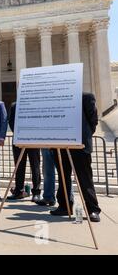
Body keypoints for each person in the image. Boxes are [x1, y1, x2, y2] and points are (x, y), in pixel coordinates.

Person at [50, 92, 101, 222]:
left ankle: (93, 210)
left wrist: (84, 135)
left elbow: (93, 120)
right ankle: (65, 206)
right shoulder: (56, 99)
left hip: (80, 145)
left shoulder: (86, 96)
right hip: (60, 144)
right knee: (63, 177)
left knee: (85, 179)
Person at [7, 102, 42, 202]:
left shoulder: (36, 105)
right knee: (19, 166)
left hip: (33, 139)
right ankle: (19, 191)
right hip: (19, 139)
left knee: (35, 166)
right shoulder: (14, 105)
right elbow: (11, 121)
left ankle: (36, 192)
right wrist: (21, 132)